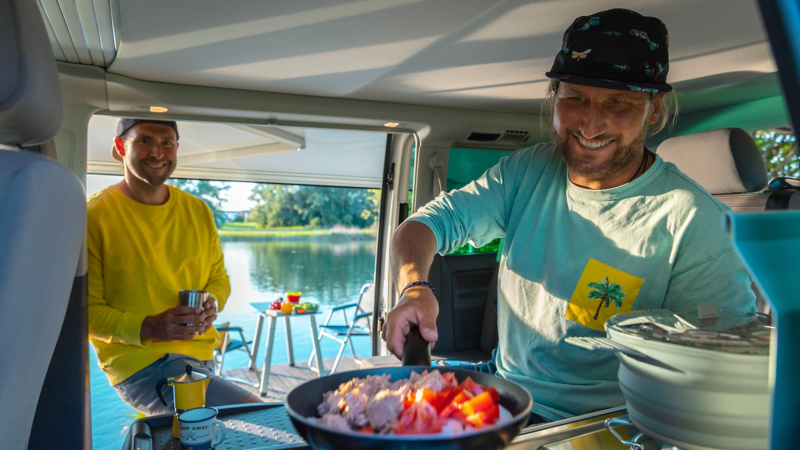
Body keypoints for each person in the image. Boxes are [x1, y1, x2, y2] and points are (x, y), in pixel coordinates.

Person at [382, 9, 755, 424]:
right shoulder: (524, 172)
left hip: (602, 424)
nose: (591, 126)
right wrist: (413, 287)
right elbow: (422, 226)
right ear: (554, 95)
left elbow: (722, 372)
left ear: (654, 110)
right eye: (575, 98)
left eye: (618, 104)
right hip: (502, 393)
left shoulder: (697, 222)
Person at [87, 118, 262, 415]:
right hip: (141, 364)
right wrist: (152, 326)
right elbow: (85, 312)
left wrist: (212, 301)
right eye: (144, 140)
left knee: (197, 439)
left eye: (167, 142)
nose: (157, 152)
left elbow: (219, 278)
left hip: (203, 357)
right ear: (120, 146)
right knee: (262, 414)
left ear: (177, 148)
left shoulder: (198, 210)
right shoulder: (93, 215)